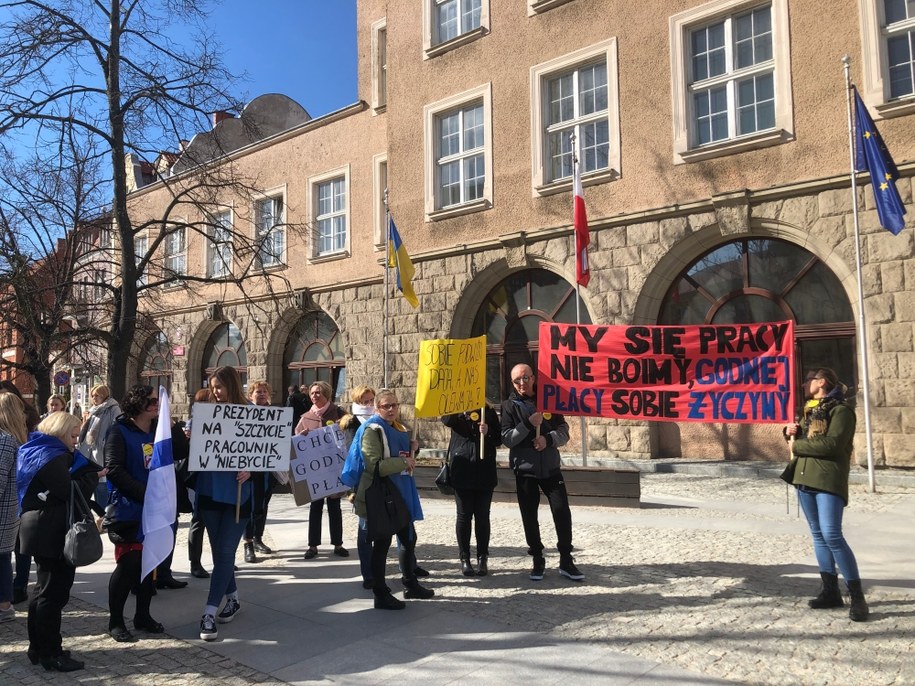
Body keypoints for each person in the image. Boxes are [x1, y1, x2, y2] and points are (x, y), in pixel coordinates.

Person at [17, 411, 100, 672]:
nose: (76, 441)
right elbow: (68, 490)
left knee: (42, 591)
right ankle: (51, 654)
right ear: (61, 432)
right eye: (73, 435)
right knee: (53, 594)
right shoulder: (52, 455)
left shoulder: (35, 448)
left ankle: (38, 647)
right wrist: (93, 476)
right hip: (51, 530)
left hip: (37, 527)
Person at [784, 368, 868, 622]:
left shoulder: (841, 411)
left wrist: (796, 444)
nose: (804, 385)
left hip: (829, 480)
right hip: (804, 478)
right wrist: (790, 432)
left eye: (808, 381)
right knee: (818, 535)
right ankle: (830, 591)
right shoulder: (809, 410)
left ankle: (857, 596)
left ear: (821, 382)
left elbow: (833, 444)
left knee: (832, 534)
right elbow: (803, 439)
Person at [500, 363, 583, 582]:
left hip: (550, 468)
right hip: (525, 470)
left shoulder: (550, 399)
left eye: (525, 378)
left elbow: (564, 431)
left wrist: (548, 440)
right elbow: (507, 438)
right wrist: (528, 424)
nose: (521, 384)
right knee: (529, 516)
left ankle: (566, 559)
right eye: (517, 380)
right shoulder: (509, 405)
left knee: (562, 511)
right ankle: (537, 557)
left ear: (534, 378)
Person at [352, 388, 433, 610]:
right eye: (386, 406)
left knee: (408, 538)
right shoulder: (373, 430)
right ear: (377, 408)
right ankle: (380, 593)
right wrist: (403, 462)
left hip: (399, 492)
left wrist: (411, 449)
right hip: (382, 495)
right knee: (382, 545)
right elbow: (374, 465)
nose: (391, 409)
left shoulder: (397, 427)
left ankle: (410, 584)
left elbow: (397, 454)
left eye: (394, 405)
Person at [194, 366, 256, 641]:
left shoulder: (254, 415)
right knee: (221, 553)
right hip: (209, 493)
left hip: (237, 497)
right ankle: (233, 598)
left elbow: (268, 453)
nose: (215, 392)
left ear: (232, 385)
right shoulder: (205, 413)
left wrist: (253, 470)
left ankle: (208, 612)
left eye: (219, 386)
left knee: (224, 553)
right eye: (212, 386)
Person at [103, 384, 167, 642]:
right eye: (150, 400)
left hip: (156, 509)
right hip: (130, 509)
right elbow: (115, 470)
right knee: (129, 565)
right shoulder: (119, 432)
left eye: (156, 401)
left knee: (149, 565)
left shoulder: (159, 432)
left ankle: (143, 615)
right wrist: (146, 494)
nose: (155, 404)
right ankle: (116, 620)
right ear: (136, 403)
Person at [442, 405, 499, 577]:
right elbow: (447, 420)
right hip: (463, 471)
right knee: (464, 516)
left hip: (485, 471)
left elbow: (499, 440)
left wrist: (488, 431)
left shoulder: (488, 412)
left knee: (482, 516)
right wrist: (457, 407)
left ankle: (482, 557)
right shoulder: (457, 411)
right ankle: (464, 558)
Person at [295, 380, 349, 560]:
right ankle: (313, 545)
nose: (314, 395)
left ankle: (338, 544)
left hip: (334, 470)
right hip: (314, 473)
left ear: (326, 393)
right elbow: (295, 442)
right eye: (312, 393)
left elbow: (350, 435)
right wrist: (300, 437)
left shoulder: (340, 413)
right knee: (315, 507)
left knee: (335, 507)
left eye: (318, 392)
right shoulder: (305, 418)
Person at [340, 385, 376, 588]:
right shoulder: (351, 422)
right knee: (365, 529)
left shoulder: (380, 420)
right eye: (365, 401)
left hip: (381, 480)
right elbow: (353, 452)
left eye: (371, 400)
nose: (369, 404)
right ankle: (367, 574)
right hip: (362, 482)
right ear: (356, 401)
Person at [241, 380, 277, 563]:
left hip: (266, 468)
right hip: (249, 469)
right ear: (251, 395)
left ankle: (258, 538)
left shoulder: (275, 415)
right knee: (249, 505)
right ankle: (247, 543)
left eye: (264, 391)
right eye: (258, 392)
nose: (261, 394)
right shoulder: (244, 414)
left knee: (262, 505)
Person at [0, 393, 28, 623]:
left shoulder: (5, 440)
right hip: (11, 508)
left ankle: (4, 606)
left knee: (1, 558)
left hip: (3, 509)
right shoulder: (17, 439)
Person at [78, 385, 121, 508]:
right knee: (90, 481)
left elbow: (116, 428)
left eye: (96, 395)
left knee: (101, 483)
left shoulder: (113, 408)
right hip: (89, 450)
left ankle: (104, 514)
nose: (94, 398)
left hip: (102, 451)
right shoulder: (93, 410)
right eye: (92, 396)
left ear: (103, 395)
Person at [185, 388, 212, 579]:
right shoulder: (195, 422)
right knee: (199, 521)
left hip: (215, 477)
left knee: (216, 522)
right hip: (200, 477)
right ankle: (195, 562)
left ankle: (222, 559)